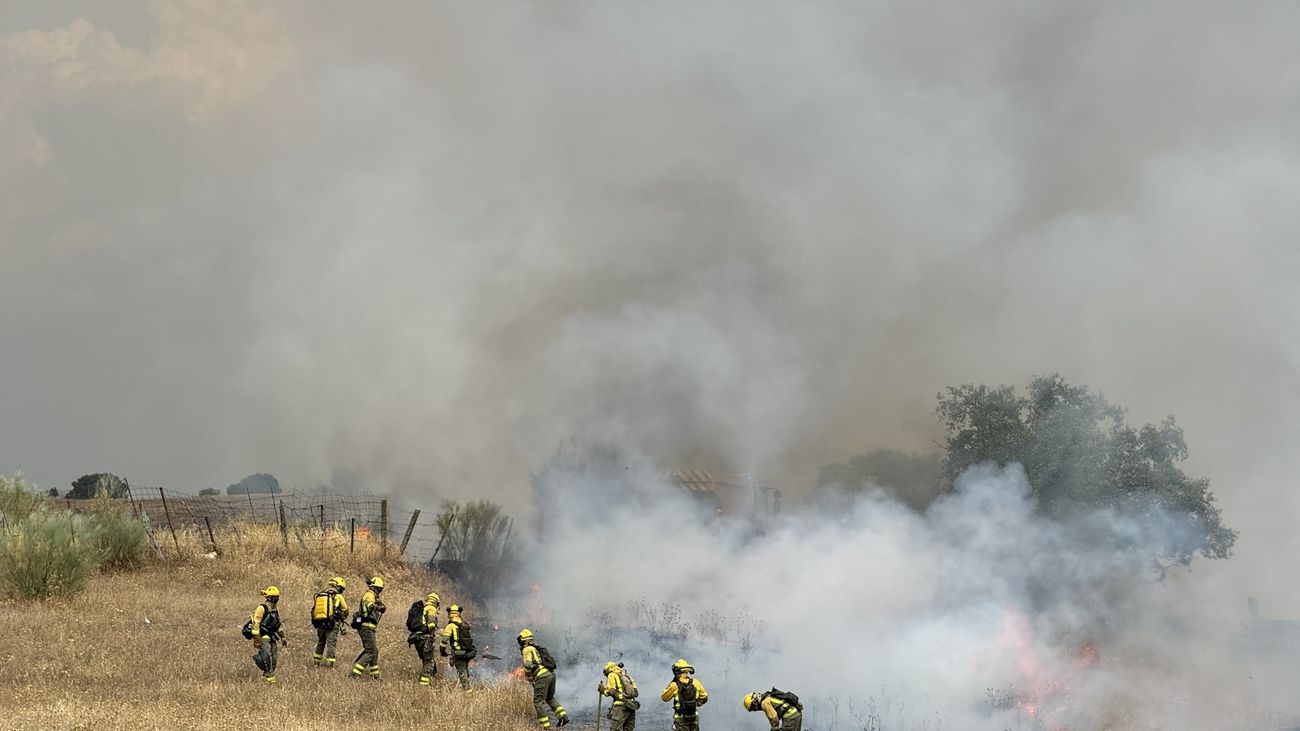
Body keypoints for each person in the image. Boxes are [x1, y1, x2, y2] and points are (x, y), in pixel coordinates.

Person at [517, 628, 569, 728]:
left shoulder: (527, 649)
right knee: (549, 698)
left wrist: (528, 675)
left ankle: (546, 727)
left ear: (524, 640)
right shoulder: (536, 649)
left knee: (538, 701)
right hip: (551, 675)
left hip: (542, 676)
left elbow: (528, 665)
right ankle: (563, 716)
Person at [350, 576, 385, 680]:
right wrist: (378, 607)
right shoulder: (369, 595)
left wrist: (380, 605)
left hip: (369, 627)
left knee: (374, 651)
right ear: (373, 587)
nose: (380, 591)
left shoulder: (373, 596)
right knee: (370, 652)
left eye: (380, 589)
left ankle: (375, 676)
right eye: (378, 589)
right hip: (366, 627)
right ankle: (354, 674)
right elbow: (369, 606)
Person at [249, 586, 286, 684]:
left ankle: (267, 677)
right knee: (267, 659)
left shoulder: (275, 610)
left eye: (277, 597)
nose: (276, 599)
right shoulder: (261, 608)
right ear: (269, 597)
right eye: (274, 597)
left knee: (274, 661)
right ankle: (271, 682)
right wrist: (256, 640)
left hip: (272, 637)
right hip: (263, 637)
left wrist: (282, 637)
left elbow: (277, 625)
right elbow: (256, 625)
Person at [311, 577, 348, 668]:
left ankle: (316, 663)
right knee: (331, 643)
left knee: (321, 642)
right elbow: (346, 610)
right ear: (337, 586)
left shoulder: (321, 594)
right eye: (341, 588)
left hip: (320, 622)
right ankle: (329, 664)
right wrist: (343, 617)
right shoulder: (338, 596)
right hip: (333, 623)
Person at [660, 659, 708, 730]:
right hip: (694, 717)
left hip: (680, 718)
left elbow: (664, 697)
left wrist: (672, 682)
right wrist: (696, 704)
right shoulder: (696, 682)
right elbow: (705, 697)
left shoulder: (674, 685)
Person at [409, 591, 440, 686]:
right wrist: (432, 634)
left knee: (425, 659)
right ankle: (424, 684)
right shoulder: (431, 609)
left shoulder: (423, 608)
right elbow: (431, 624)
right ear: (436, 602)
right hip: (425, 638)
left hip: (416, 638)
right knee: (429, 661)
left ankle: (431, 678)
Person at [440, 604, 473, 689]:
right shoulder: (464, 624)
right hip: (467, 652)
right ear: (459, 613)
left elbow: (444, 641)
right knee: (465, 671)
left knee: (462, 672)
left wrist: (442, 651)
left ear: (450, 613)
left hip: (458, 654)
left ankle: (468, 692)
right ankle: (468, 688)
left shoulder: (450, 626)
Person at [599, 661, 640, 731]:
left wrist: (603, 691)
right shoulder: (627, 676)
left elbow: (612, 692)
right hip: (631, 706)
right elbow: (636, 693)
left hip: (620, 707)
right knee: (628, 729)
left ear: (607, 670)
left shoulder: (611, 675)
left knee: (615, 729)